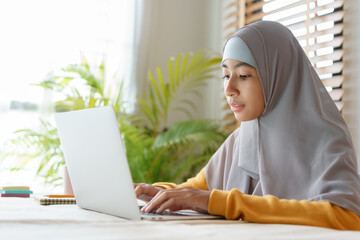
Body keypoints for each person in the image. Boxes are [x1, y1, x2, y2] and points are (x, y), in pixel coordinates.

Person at [134, 21, 360, 230]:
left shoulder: (326, 139)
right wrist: (155, 192)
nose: (229, 89)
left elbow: (347, 217)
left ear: (278, 76)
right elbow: (198, 189)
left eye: (243, 75)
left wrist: (226, 203)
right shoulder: (242, 138)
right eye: (225, 75)